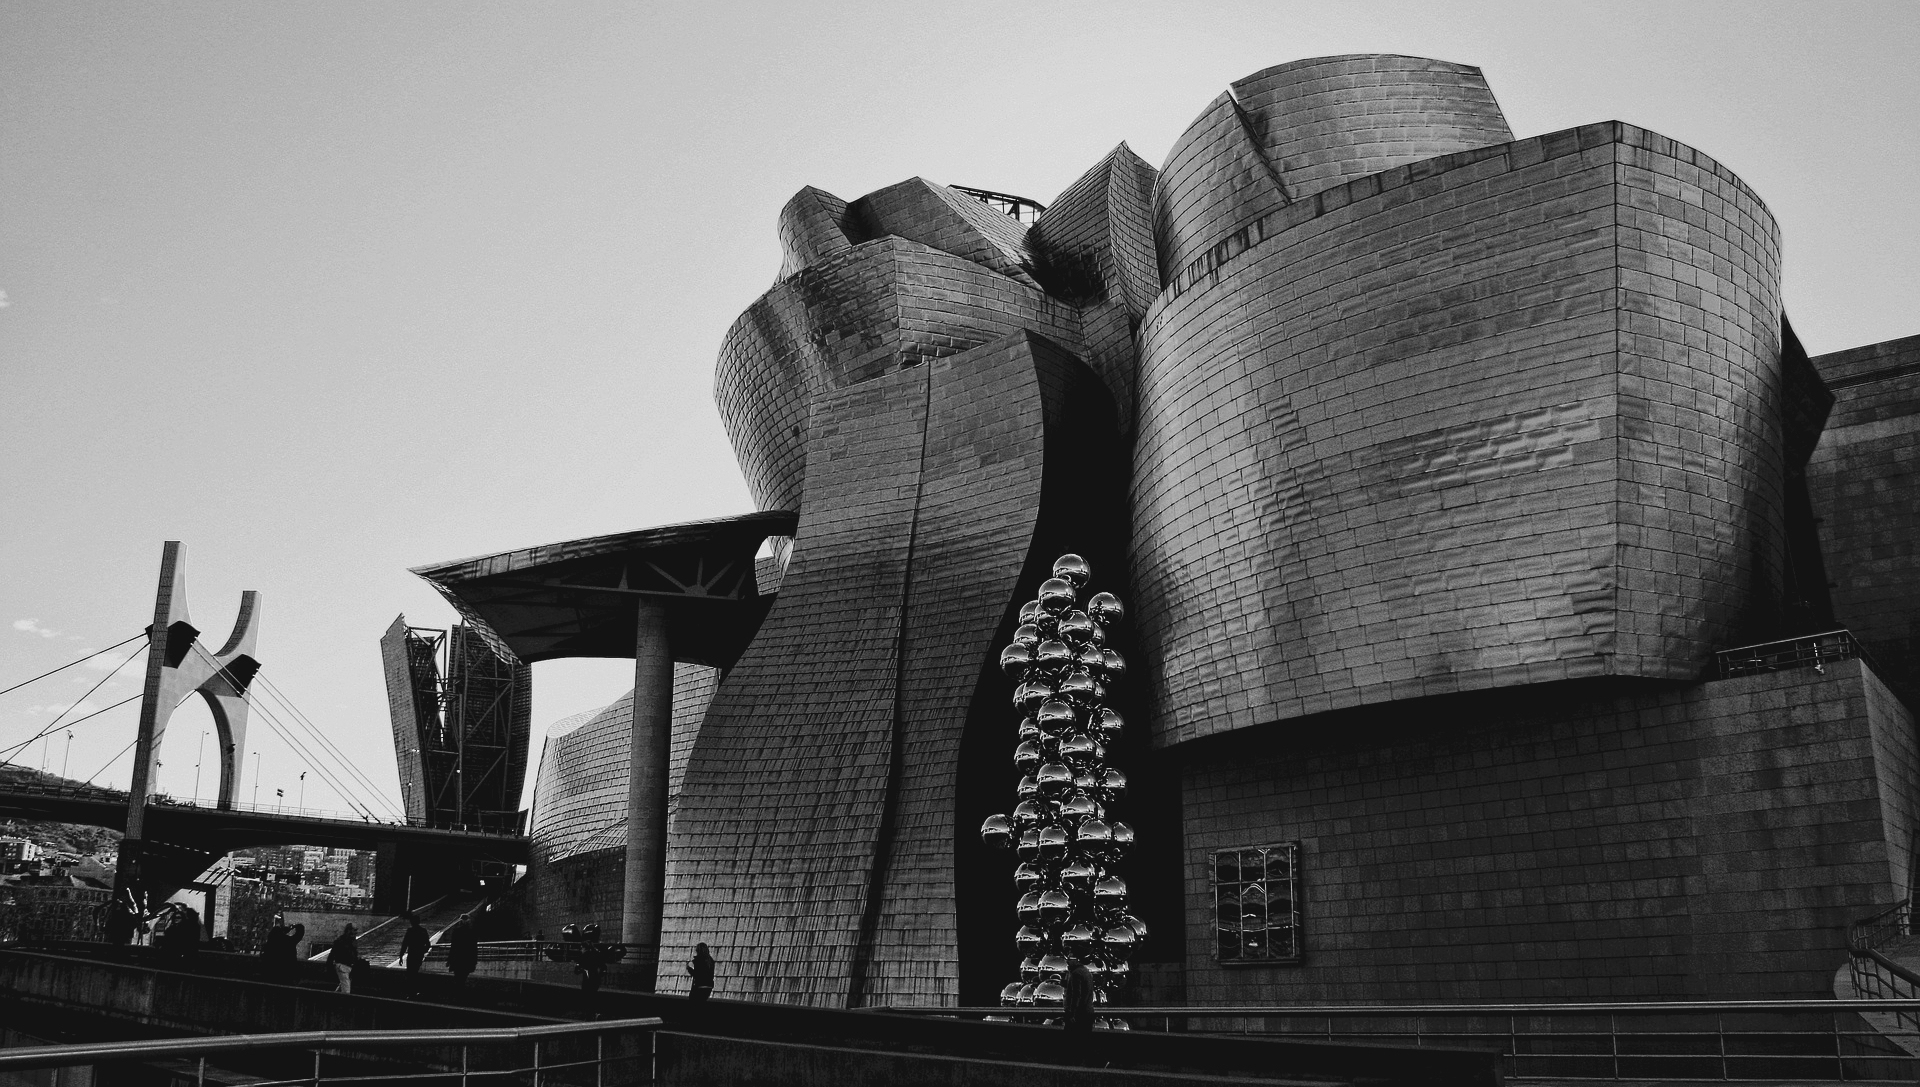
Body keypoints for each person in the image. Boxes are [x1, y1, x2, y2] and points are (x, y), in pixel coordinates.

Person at [1063, 959, 1095, 1034]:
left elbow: (1076, 995)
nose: (1067, 962)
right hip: (1087, 1012)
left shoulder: (1076, 973)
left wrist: (1072, 1013)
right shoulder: (1086, 971)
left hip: (1078, 1014)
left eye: (1070, 959)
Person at [400, 912, 431, 988]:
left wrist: (401, 956)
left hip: (411, 954)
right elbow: (428, 944)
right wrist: (422, 951)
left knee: (410, 972)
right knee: (415, 971)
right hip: (419, 955)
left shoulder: (410, 931)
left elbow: (405, 944)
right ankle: (414, 988)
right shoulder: (423, 931)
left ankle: (410, 988)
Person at [446, 913, 478, 984]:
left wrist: (449, 960)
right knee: (464, 976)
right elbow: (474, 948)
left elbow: (453, 947)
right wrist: (474, 960)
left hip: (457, 958)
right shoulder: (472, 932)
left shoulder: (456, 931)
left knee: (457, 976)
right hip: (467, 959)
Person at [330, 924, 359, 993]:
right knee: (346, 989)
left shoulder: (350, 941)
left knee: (343, 985)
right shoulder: (342, 941)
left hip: (347, 967)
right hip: (343, 966)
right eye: (353, 930)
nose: (355, 933)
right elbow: (333, 954)